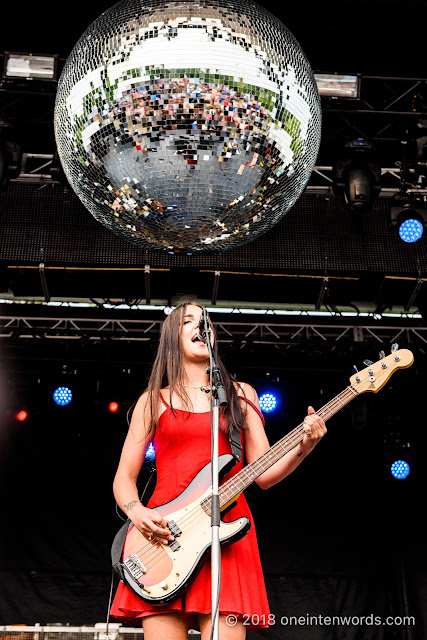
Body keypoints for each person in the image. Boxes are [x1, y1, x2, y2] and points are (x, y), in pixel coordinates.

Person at [110, 300, 326, 639]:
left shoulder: (240, 394)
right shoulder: (152, 400)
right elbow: (124, 477)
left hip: (226, 534)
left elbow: (264, 473)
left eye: (205, 320)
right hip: (165, 536)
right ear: (172, 337)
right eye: (189, 321)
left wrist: (306, 445)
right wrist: (138, 513)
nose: (200, 326)